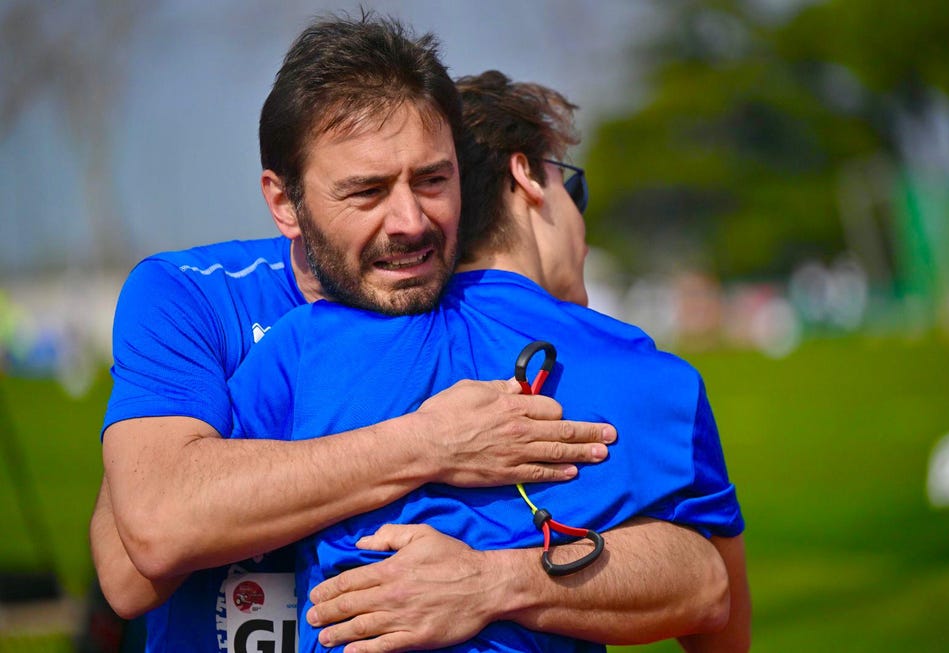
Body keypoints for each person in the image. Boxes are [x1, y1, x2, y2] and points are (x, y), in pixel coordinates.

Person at [91, 13, 732, 653]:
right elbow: (141, 554)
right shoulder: (194, 295)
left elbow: (703, 582)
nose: (411, 223)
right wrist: (427, 444)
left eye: (432, 180)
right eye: (366, 191)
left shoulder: (488, 322)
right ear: (285, 203)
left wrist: (491, 582)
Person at [228, 70, 750, 653]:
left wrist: (488, 581)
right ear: (526, 176)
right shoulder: (655, 380)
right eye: (570, 188)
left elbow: (174, 530)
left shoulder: (309, 347)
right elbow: (722, 631)